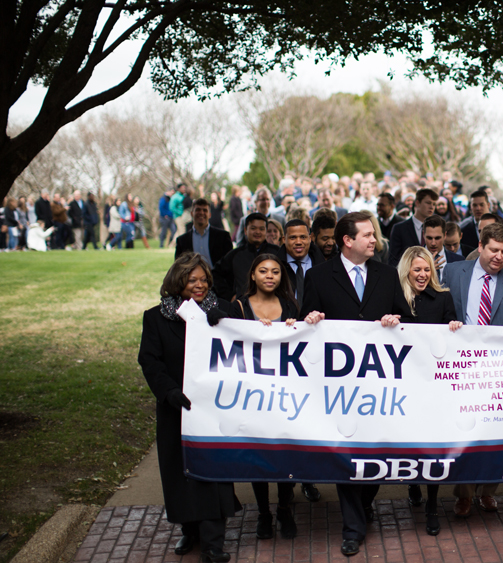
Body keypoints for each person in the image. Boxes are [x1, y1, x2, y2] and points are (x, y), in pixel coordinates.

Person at [300, 212, 412, 557]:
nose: (373, 240)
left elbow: (407, 320)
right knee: (347, 453)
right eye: (366, 235)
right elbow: (306, 324)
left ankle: (364, 505)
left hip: (379, 384)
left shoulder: (387, 274)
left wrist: (397, 319)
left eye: (374, 234)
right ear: (347, 240)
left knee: (377, 452)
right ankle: (352, 527)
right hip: (339, 387)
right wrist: (313, 318)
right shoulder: (318, 277)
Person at [138, 253, 241, 562]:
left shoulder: (222, 311)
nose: (200, 285)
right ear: (176, 282)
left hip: (214, 408)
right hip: (175, 409)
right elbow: (150, 360)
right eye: (192, 280)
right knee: (180, 472)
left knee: (213, 471)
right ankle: (190, 530)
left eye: (203, 279)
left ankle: (213, 543)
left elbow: (243, 349)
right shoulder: (155, 317)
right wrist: (169, 392)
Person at [440, 222, 503, 517]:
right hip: (459, 366)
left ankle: (488, 491)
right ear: (480, 247)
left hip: (497, 368)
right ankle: (464, 494)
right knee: (464, 432)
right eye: (493, 250)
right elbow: (439, 309)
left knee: (496, 432)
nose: (499, 256)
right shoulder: (453, 273)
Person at [397, 246, 463, 536]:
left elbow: (454, 333)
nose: (422, 275)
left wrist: (455, 326)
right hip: (404, 383)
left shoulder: (444, 297)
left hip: (435, 384)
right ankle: (413, 484)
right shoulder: (395, 297)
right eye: (417, 270)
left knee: (433, 444)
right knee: (411, 440)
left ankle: (433, 505)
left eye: (427, 270)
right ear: (406, 271)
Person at [234, 254, 300, 540]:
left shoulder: (290, 305)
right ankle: (263, 512)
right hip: (253, 393)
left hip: (286, 393)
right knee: (258, 456)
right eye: (263, 271)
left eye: (275, 271)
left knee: (286, 454)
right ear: (253, 275)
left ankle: (285, 508)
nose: (269, 276)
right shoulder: (237, 306)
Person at [213, 213, 282, 302]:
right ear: (245, 230)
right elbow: (216, 274)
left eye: (261, 229)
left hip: (272, 306)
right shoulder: (236, 254)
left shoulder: (277, 252)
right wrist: (229, 296)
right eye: (253, 228)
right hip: (243, 309)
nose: (258, 232)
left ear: (266, 231)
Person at [175, 198, 233, 269]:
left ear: (210, 215)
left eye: (205, 210)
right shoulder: (182, 241)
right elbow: (178, 268)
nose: (201, 213)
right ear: (192, 214)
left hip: (216, 278)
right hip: (192, 278)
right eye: (198, 210)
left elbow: (230, 264)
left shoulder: (223, 237)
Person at [279, 219, 325, 308]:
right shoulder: (275, 267)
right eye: (293, 237)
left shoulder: (323, 267)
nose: (298, 242)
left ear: (310, 238)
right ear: (284, 239)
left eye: (303, 237)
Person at [388, 188, 438, 266]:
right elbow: (393, 259)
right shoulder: (399, 229)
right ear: (417, 203)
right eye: (428, 203)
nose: (432, 207)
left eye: (434, 204)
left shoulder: (437, 228)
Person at [421, 215, 462, 283]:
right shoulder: (412, 259)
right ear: (423, 234)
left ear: (445, 235)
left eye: (437, 238)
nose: (433, 243)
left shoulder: (458, 261)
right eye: (429, 238)